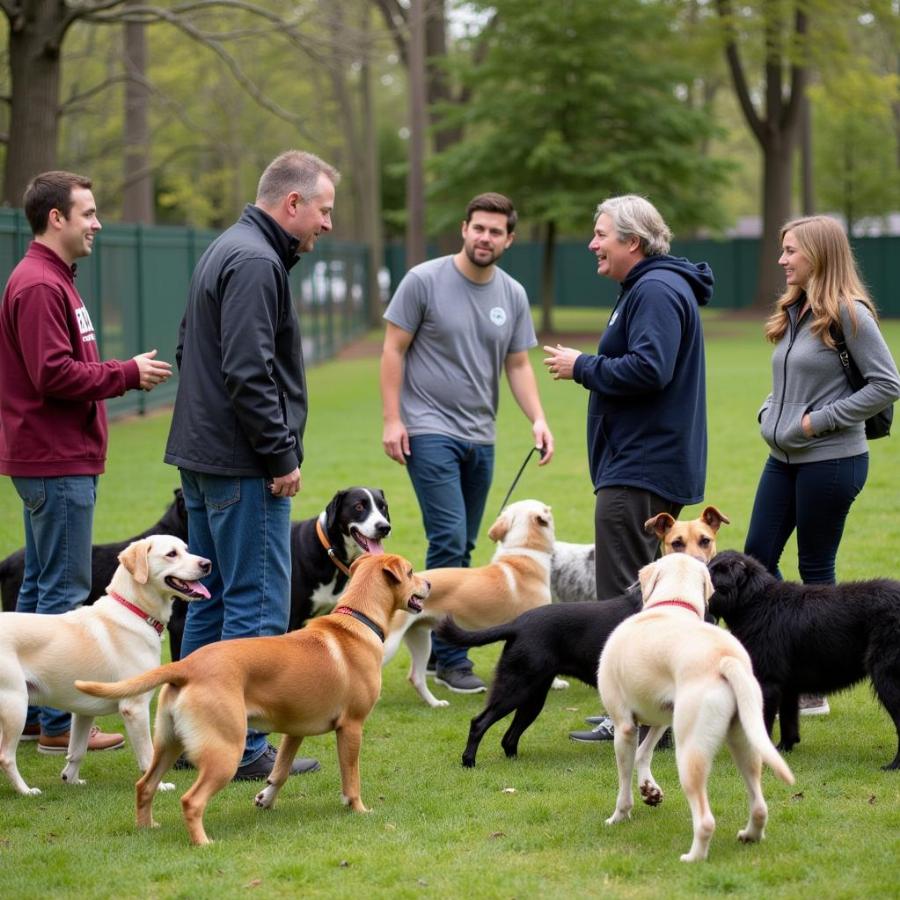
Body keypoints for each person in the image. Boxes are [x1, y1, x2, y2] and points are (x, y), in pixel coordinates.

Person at [164, 150, 339, 780]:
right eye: (323, 210)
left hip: (206, 455)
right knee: (256, 605)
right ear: (292, 203)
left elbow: (190, 346)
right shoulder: (258, 260)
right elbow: (247, 370)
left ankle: (191, 736)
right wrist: (279, 453)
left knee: (208, 600)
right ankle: (241, 749)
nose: (326, 224)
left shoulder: (228, 247)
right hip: (242, 462)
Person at [0, 170, 172, 752]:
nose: (97, 223)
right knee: (63, 589)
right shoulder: (40, 286)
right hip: (55, 460)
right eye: (89, 213)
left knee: (42, 586)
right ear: (57, 218)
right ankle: (55, 727)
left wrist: (119, 370)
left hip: (55, 458)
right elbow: (52, 375)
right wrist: (126, 374)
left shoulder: (54, 280)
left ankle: (27, 712)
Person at [542, 194, 712, 742]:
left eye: (601, 235)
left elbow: (650, 367)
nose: (593, 244)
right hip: (646, 463)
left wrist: (582, 366)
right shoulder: (650, 287)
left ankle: (633, 717)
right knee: (649, 595)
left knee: (625, 594)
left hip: (641, 468)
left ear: (632, 242)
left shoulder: (657, 290)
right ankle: (653, 709)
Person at [381, 192, 554, 693]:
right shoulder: (424, 281)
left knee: (470, 540)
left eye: (495, 231)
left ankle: (433, 645)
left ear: (508, 239)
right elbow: (393, 349)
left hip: (482, 435)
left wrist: (538, 418)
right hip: (428, 428)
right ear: (464, 228)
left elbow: (518, 364)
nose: (485, 237)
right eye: (478, 227)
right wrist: (393, 420)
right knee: (451, 537)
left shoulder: (513, 295)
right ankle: (452, 656)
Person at [744, 215, 900, 717]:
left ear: (820, 254)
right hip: (782, 458)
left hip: (831, 461)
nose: (782, 259)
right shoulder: (795, 309)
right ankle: (770, 664)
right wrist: (770, 411)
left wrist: (816, 423)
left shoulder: (849, 314)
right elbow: (792, 378)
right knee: (756, 556)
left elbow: (886, 384)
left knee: (814, 568)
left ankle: (811, 686)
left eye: (791, 250)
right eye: (782, 249)